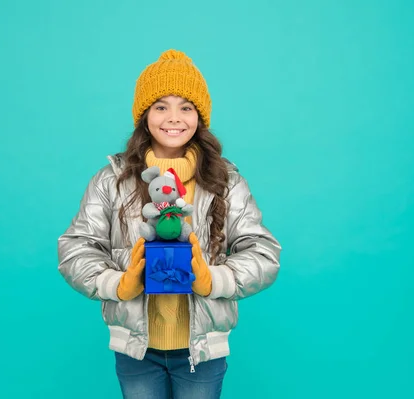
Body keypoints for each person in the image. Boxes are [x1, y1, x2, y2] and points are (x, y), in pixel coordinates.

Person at [58, 49, 281, 399]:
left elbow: (264, 254)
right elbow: (75, 247)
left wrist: (213, 279)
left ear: (199, 117)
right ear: (144, 115)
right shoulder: (112, 180)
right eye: (161, 106)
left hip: (202, 351)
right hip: (135, 349)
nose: (173, 118)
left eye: (186, 107)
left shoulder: (226, 180)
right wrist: (119, 284)